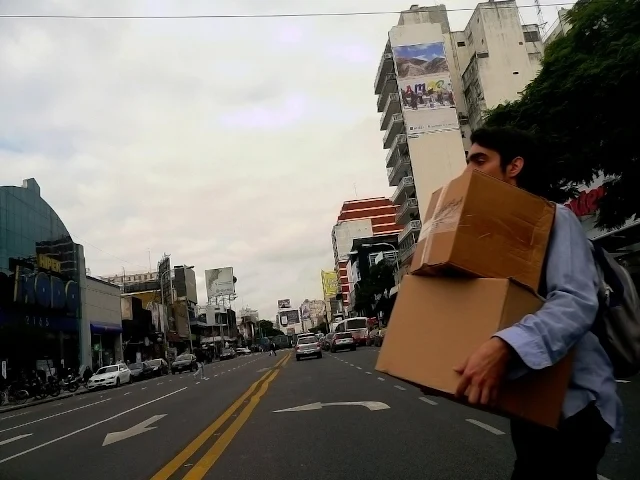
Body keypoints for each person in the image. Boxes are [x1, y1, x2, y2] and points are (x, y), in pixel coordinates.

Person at [456, 127, 622, 480]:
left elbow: (575, 302)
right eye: (468, 162)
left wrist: (504, 346)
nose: (469, 171)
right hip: (534, 404)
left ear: (513, 166)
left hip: (574, 405)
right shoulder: (493, 234)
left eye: (480, 161)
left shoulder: (552, 218)